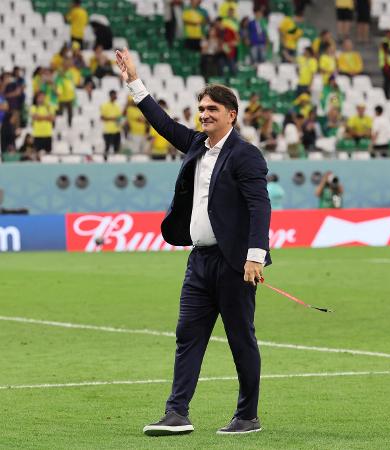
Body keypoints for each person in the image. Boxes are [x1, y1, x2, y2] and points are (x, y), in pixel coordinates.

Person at [116, 47, 271, 436]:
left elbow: (259, 207)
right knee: (187, 336)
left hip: (235, 264)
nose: (204, 115)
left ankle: (247, 416)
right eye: (201, 109)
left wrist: (256, 256)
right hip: (199, 262)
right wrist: (135, 82)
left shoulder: (246, 155)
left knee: (240, 341)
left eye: (212, 110)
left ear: (231, 115)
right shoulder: (196, 145)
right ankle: (177, 412)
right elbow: (162, 123)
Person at [100, 90, 122, 158]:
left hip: (117, 130)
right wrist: (112, 119)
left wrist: (117, 121)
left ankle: (115, 162)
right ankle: (105, 161)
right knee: (107, 147)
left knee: (117, 148)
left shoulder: (117, 106)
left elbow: (119, 118)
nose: (115, 96)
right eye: (114, 95)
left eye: (115, 95)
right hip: (108, 131)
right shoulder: (105, 105)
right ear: (110, 96)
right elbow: (102, 117)